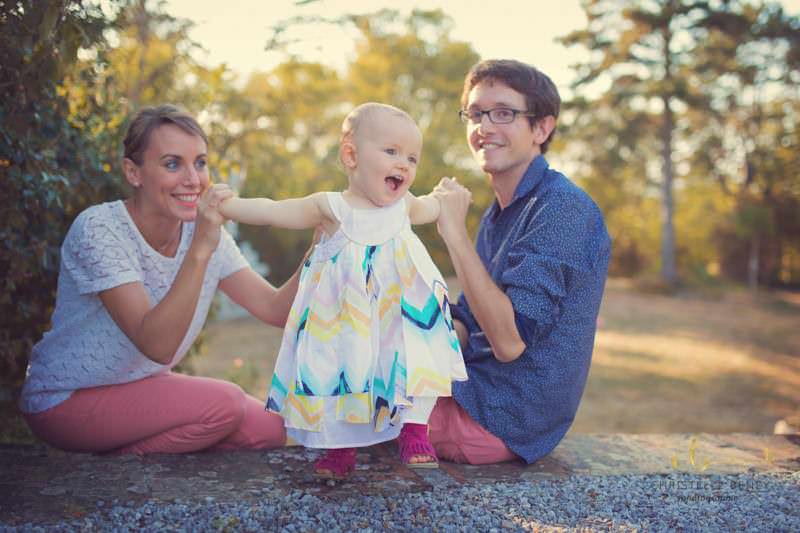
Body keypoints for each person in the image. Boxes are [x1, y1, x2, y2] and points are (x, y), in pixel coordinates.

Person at [19, 104, 306, 455]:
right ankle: (113, 464)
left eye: (200, 163)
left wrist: (321, 243)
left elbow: (275, 309)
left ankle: (138, 453)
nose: (194, 180)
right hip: (67, 399)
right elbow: (157, 346)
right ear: (133, 172)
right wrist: (200, 248)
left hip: (142, 385)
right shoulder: (99, 229)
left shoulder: (204, 234)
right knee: (225, 404)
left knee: (270, 429)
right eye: (173, 164)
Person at [216, 102, 468, 478]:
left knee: (416, 357)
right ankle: (338, 448)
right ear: (351, 155)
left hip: (398, 313)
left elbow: (433, 208)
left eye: (412, 158)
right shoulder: (331, 207)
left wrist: (446, 196)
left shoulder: (405, 206)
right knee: (338, 369)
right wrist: (230, 206)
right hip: (345, 317)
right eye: (391, 151)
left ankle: (415, 429)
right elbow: (273, 211)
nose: (403, 164)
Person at [428, 59, 611, 465]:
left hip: (497, 417)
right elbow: (471, 319)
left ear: (541, 129)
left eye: (504, 113)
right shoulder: (498, 214)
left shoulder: (562, 209)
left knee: (341, 400)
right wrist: (415, 332)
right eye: (476, 113)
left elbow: (509, 343)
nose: (484, 126)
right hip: (470, 389)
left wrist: (454, 234)